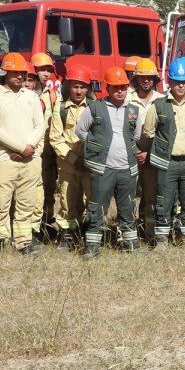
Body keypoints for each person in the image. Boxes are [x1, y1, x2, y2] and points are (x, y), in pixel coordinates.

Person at [75, 66, 143, 258]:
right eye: (115, 87)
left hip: (127, 168)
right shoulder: (95, 107)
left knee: (128, 206)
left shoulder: (134, 110)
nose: (119, 91)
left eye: (123, 87)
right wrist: (95, 146)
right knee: (97, 206)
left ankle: (129, 242)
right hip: (102, 167)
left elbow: (136, 135)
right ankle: (92, 246)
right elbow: (80, 131)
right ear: (108, 88)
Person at [140, 57, 185, 248]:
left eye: (184, 82)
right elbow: (148, 132)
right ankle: (162, 238)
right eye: (176, 82)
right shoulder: (158, 105)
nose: (180, 86)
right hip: (165, 163)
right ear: (169, 81)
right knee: (164, 200)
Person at [0, 53, 45, 255]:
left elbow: (40, 125)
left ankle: (23, 241)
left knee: (27, 201)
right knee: (0, 201)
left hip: (30, 157)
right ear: (5, 73)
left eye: (22, 73)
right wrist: (19, 148)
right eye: (14, 72)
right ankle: (0, 240)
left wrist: (28, 147)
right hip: (3, 158)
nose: (19, 76)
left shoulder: (30, 96)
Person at [48, 65, 93, 250]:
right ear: (69, 87)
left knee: (92, 200)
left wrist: (89, 158)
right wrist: (75, 159)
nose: (79, 90)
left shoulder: (94, 108)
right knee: (68, 201)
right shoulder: (60, 109)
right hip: (68, 164)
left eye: (83, 86)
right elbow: (55, 138)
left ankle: (90, 233)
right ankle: (68, 236)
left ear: (88, 88)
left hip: (90, 164)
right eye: (75, 86)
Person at [127, 58, 165, 242]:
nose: (146, 80)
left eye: (149, 77)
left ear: (155, 79)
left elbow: (164, 133)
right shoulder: (127, 99)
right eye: (142, 77)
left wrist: (150, 153)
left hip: (153, 156)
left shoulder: (162, 100)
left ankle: (149, 235)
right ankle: (128, 234)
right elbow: (122, 130)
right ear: (136, 79)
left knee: (151, 198)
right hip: (130, 156)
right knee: (127, 198)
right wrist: (135, 151)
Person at [30, 53, 59, 238]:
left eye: (49, 70)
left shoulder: (52, 95)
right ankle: (31, 227)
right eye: (42, 69)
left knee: (48, 189)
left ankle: (46, 223)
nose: (46, 73)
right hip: (31, 150)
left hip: (48, 151)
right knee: (32, 190)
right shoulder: (26, 95)